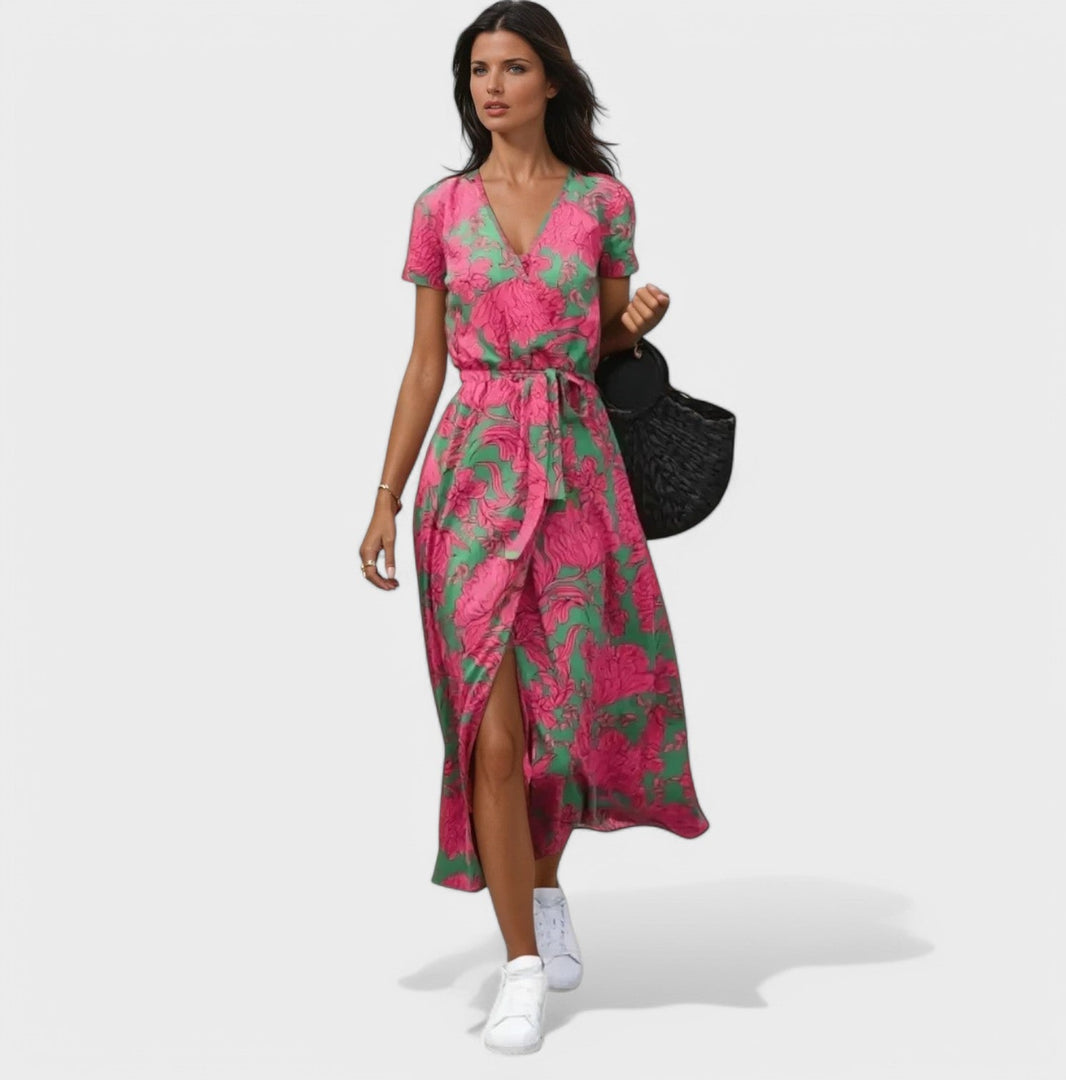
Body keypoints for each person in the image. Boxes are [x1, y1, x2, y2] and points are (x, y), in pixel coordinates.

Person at [359, 0, 710, 1054]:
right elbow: (426, 363)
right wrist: (385, 495)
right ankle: (520, 963)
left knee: (561, 720)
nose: (493, 87)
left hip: (575, 476)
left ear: (552, 80)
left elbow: (596, 347)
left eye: (513, 67)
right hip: (470, 478)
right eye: (479, 70)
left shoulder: (604, 202)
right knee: (492, 729)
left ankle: (544, 889)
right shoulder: (439, 208)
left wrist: (629, 326)